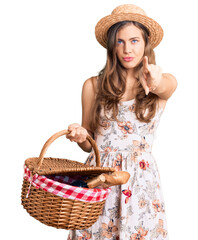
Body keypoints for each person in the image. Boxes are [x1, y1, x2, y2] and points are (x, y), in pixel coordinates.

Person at [66, 4, 177, 240]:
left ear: (146, 43)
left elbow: (166, 85)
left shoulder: (161, 84)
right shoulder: (93, 86)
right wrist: (80, 136)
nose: (128, 49)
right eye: (120, 41)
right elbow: (90, 142)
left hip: (140, 184)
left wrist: (155, 80)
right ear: (112, 46)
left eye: (135, 41)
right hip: (98, 180)